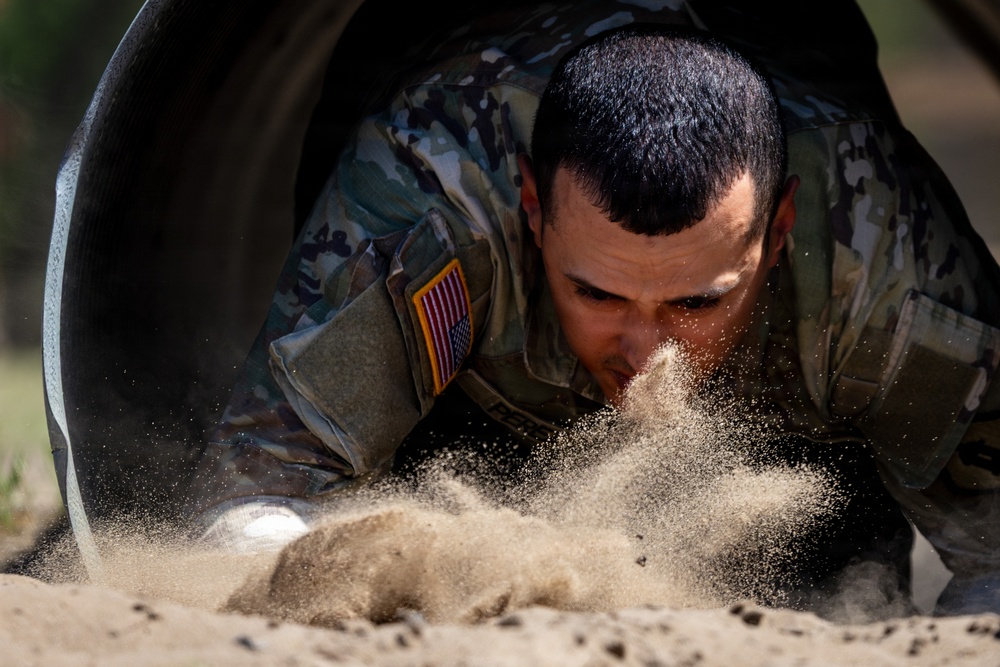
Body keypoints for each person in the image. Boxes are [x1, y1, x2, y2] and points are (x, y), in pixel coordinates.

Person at [188, 1, 1000, 614]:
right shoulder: (431, 205)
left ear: (777, 230)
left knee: (844, 590)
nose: (647, 350)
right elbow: (258, 496)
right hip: (464, 418)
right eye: (598, 292)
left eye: (695, 301)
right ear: (533, 212)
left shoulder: (879, 255)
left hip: (801, 443)